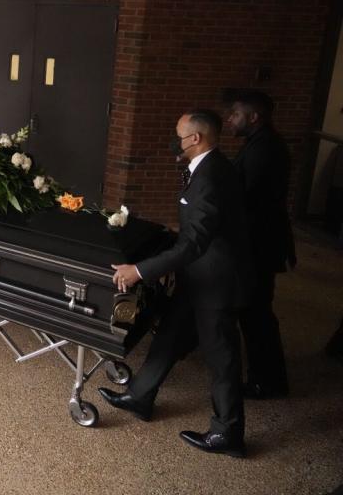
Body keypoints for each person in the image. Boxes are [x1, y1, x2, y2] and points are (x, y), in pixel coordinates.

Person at [106, 110, 250, 457]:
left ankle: (228, 434)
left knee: (222, 358)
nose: (176, 141)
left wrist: (140, 270)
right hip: (197, 275)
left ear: (196, 139)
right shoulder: (208, 167)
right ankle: (141, 396)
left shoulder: (212, 176)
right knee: (170, 334)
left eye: (179, 135)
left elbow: (194, 242)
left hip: (216, 281)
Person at [227, 89, 293, 399]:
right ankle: (268, 377)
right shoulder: (259, 144)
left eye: (236, 114)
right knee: (256, 313)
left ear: (254, 117)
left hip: (260, 245)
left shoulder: (263, 150)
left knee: (256, 314)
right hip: (262, 241)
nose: (231, 119)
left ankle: (266, 381)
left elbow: (247, 200)